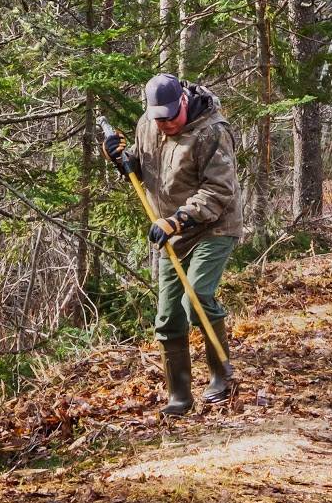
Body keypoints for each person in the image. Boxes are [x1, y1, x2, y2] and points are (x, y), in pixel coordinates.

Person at [103, 73, 244, 417]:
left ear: (183, 101)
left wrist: (177, 220)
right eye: (158, 117)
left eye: (170, 116)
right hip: (171, 232)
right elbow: (142, 163)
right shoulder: (148, 124)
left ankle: (222, 376)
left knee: (195, 297)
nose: (165, 124)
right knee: (168, 317)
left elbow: (218, 191)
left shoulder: (212, 132)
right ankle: (179, 398)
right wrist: (123, 160)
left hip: (214, 224)